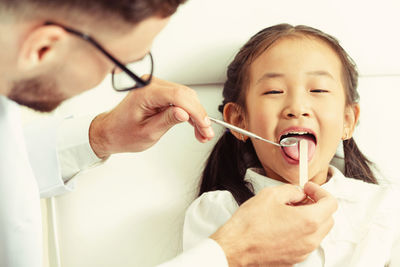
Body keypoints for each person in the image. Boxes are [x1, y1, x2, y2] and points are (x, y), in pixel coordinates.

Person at [0, 0, 338, 265]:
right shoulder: (216, 212)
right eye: (116, 64)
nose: (297, 107)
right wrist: (232, 253)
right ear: (42, 49)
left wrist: (100, 136)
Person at [183, 24, 400, 266]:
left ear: (347, 121)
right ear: (238, 120)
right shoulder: (217, 212)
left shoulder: (385, 209)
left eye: (318, 89)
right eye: (274, 91)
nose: (297, 107)